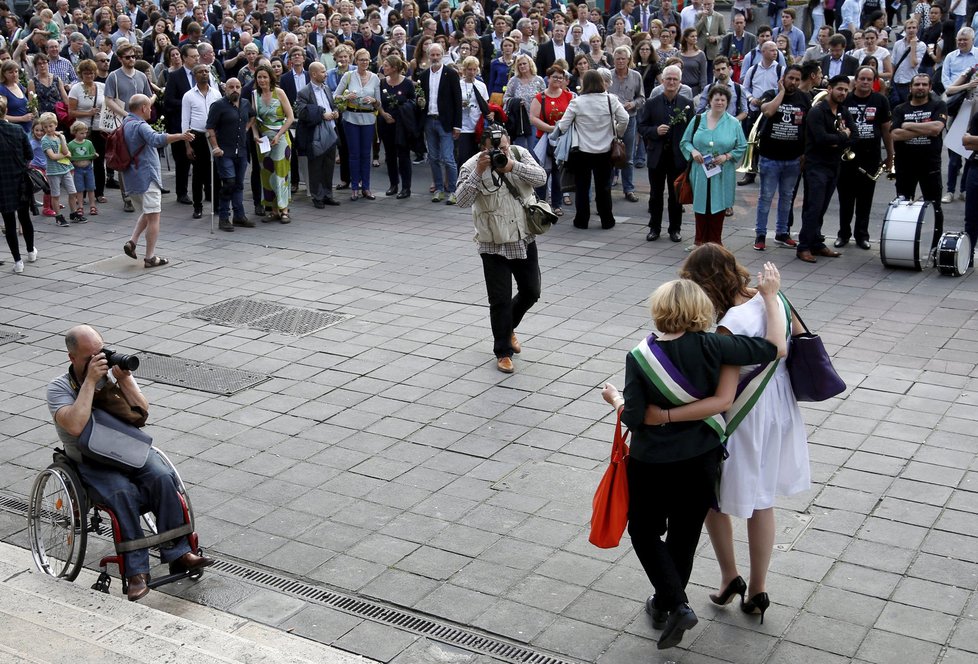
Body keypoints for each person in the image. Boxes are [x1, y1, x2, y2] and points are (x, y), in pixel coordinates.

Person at [599, 266, 786, 651]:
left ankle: (676, 604)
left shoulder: (640, 356)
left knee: (645, 531)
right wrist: (770, 297)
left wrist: (616, 399)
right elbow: (772, 348)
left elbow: (634, 416)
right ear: (701, 309)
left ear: (660, 309)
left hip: (652, 461)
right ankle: (666, 605)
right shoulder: (716, 346)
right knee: (684, 534)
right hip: (702, 458)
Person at [677, 244, 808, 629]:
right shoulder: (770, 295)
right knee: (762, 499)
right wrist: (772, 298)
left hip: (746, 414)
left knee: (712, 495)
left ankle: (729, 575)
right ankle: (758, 590)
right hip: (780, 406)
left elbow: (723, 379)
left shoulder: (729, 322)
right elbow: (797, 336)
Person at [47, 325, 215, 602]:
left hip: (126, 448)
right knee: (121, 493)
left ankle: (179, 553)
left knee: (162, 477)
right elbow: (75, 426)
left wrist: (124, 380)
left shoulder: (112, 375)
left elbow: (142, 411)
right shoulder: (58, 388)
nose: (98, 360)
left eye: (100, 352)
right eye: (89, 356)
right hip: (91, 459)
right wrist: (90, 382)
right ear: (72, 358)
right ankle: (136, 573)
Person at [455, 124, 547, 374]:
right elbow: (461, 201)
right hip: (492, 242)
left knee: (531, 291)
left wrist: (512, 166)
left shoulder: (518, 153)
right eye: (495, 149)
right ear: (483, 148)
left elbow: (542, 178)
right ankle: (503, 351)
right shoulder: (472, 165)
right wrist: (479, 171)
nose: (501, 152)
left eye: (503, 147)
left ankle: (508, 329)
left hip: (522, 237)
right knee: (500, 300)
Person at [121, 94, 194, 268]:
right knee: (154, 216)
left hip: (131, 177)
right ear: (143, 108)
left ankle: (132, 241)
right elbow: (156, 139)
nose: (152, 110)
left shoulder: (125, 123)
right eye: (149, 106)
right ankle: (150, 257)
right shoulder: (140, 125)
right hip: (147, 177)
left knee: (147, 212)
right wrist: (181, 136)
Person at [557, 70, 629, 230]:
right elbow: (625, 118)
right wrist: (617, 131)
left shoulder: (577, 102)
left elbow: (563, 125)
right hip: (605, 151)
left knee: (582, 188)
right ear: (601, 83)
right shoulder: (611, 100)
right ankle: (607, 220)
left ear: (585, 84)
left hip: (582, 151)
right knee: (604, 187)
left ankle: (581, 220)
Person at [797, 75, 856, 263]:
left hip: (834, 165)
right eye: (839, 89)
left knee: (822, 207)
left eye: (846, 90)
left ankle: (816, 242)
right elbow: (821, 139)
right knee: (813, 207)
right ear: (829, 89)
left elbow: (855, 136)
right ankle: (803, 246)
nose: (843, 93)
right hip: (816, 166)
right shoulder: (817, 112)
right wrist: (842, 137)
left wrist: (837, 140)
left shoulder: (843, 111)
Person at [681, 85, 748, 247]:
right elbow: (685, 142)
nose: (719, 102)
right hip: (700, 169)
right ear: (709, 101)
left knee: (719, 204)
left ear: (728, 102)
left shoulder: (733, 123)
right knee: (701, 204)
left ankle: (715, 242)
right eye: (716, 99)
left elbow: (742, 146)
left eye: (723, 100)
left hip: (723, 171)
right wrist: (693, 152)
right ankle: (699, 241)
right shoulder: (698, 119)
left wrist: (727, 156)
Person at [835, 66, 894, 249]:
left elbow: (886, 130)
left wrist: (891, 156)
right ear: (856, 80)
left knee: (865, 200)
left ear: (874, 81)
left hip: (871, 157)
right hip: (846, 157)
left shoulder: (880, 100)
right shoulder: (846, 98)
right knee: (845, 199)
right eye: (862, 78)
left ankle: (862, 236)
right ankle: (843, 234)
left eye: (870, 79)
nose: (866, 82)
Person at [752, 66, 809, 251]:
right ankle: (760, 234)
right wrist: (782, 93)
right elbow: (768, 112)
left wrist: (804, 154)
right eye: (790, 78)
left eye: (797, 79)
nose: (793, 82)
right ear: (783, 78)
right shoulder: (771, 93)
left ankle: (782, 233)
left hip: (793, 159)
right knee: (766, 197)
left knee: (787, 197)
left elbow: (807, 127)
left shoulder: (804, 98)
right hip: (770, 157)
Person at [891, 72, 947, 250]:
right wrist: (926, 129)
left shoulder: (938, 105)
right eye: (917, 84)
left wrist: (908, 126)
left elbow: (937, 128)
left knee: (934, 206)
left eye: (924, 84)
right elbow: (895, 134)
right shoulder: (901, 109)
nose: (920, 87)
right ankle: (903, 244)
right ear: (910, 88)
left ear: (930, 87)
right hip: (905, 166)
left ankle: (934, 246)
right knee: (903, 206)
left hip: (930, 165)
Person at [638, 64, 692, 242]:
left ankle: (675, 229)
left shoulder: (687, 104)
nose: (671, 82)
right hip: (657, 156)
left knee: (676, 195)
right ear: (662, 81)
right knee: (655, 195)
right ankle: (654, 227)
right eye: (668, 78)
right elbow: (642, 127)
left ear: (680, 82)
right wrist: (655, 131)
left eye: (675, 79)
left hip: (678, 158)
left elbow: (692, 130)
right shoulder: (652, 103)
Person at [206, 77, 256, 231]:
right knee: (229, 183)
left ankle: (239, 216)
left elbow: (253, 116)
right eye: (231, 87)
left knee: (239, 184)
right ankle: (223, 217)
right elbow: (210, 128)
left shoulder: (246, 103)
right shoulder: (218, 106)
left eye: (237, 87)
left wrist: (247, 127)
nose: (235, 89)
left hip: (241, 151)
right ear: (225, 89)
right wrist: (215, 147)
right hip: (224, 151)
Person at [335, 47, 380, 201]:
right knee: (354, 154)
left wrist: (373, 100)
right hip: (351, 118)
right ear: (356, 61)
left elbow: (379, 103)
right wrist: (347, 97)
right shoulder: (348, 76)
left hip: (368, 119)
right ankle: (354, 187)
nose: (364, 62)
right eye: (361, 60)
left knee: (365, 154)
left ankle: (366, 187)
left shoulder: (375, 78)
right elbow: (336, 96)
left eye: (367, 60)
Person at [294, 62, 342, 209]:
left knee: (329, 166)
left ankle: (328, 194)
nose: (326, 74)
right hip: (315, 134)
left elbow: (332, 104)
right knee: (315, 166)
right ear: (314, 74)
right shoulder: (304, 92)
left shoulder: (326, 88)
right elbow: (301, 113)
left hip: (331, 132)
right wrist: (322, 114)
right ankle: (317, 196)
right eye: (322, 72)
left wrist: (335, 112)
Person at [420, 43, 463, 205]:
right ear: (428, 56)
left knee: (448, 158)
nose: (435, 58)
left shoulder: (451, 74)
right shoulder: (424, 75)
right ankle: (438, 189)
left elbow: (457, 100)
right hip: (429, 120)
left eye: (438, 55)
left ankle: (453, 190)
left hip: (445, 122)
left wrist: (457, 125)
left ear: (443, 55)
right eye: (433, 55)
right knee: (433, 157)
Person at [252, 62, 295, 221]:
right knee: (267, 173)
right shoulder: (254, 95)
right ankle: (273, 209)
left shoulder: (279, 92)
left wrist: (279, 135)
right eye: (259, 77)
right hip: (263, 140)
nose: (262, 80)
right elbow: (254, 120)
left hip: (280, 137)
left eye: (265, 77)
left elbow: (290, 118)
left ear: (271, 78)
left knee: (280, 173)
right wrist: (256, 135)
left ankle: (284, 209)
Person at [0, 97, 36, 274]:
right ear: (5, 111)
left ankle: (17, 260)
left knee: (9, 222)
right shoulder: (16, 130)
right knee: (24, 217)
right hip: (20, 179)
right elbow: (29, 154)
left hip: (2, 183)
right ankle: (30, 251)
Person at [182, 64, 221, 220]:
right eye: (200, 72)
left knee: (216, 173)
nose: (204, 74)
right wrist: (187, 144)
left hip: (213, 136)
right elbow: (185, 121)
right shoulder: (189, 96)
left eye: (206, 71)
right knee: (198, 173)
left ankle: (217, 204)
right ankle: (197, 206)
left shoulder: (216, 94)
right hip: (196, 136)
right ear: (194, 75)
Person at [161, 44, 199, 206]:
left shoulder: (203, 74)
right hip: (179, 125)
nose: (197, 59)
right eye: (193, 56)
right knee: (183, 162)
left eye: (198, 56)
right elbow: (168, 101)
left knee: (199, 160)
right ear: (184, 58)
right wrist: (188, 103)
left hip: (198, 124)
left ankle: (202, 190)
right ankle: (181, 192)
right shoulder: (176, 76)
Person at [608, 46, 645, 203]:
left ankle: (628, 189)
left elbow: (642, 98)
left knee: (628, 156)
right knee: (609, 155)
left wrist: (633, 104)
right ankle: (607, 187)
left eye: (623, 58)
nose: (620, 61)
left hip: (630, 119)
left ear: (629, 60)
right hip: (611, 121)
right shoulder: (608, 75)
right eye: (618, 59)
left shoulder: (636, 76)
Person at [457, 55, 489, 173]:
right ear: (464, 70)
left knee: (477, 158)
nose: (472, 72)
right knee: (463, 158)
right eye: (469, 69)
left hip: (477, 126)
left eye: (474, 69)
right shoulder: (458, 84)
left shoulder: (481, 85)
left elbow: (486, 105)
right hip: (463, 127)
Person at [68, 121, 98, 222]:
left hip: (88, 167)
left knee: (91, 187)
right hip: (77, 169)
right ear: (75, 132)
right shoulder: (71, 144)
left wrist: (94, 155)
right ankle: (80, 206)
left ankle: (92, 205)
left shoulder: (88, 143)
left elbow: (93, 153)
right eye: (81, 133)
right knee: (79, 189)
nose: (84, 135)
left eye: (85, 133)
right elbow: (69, 157)